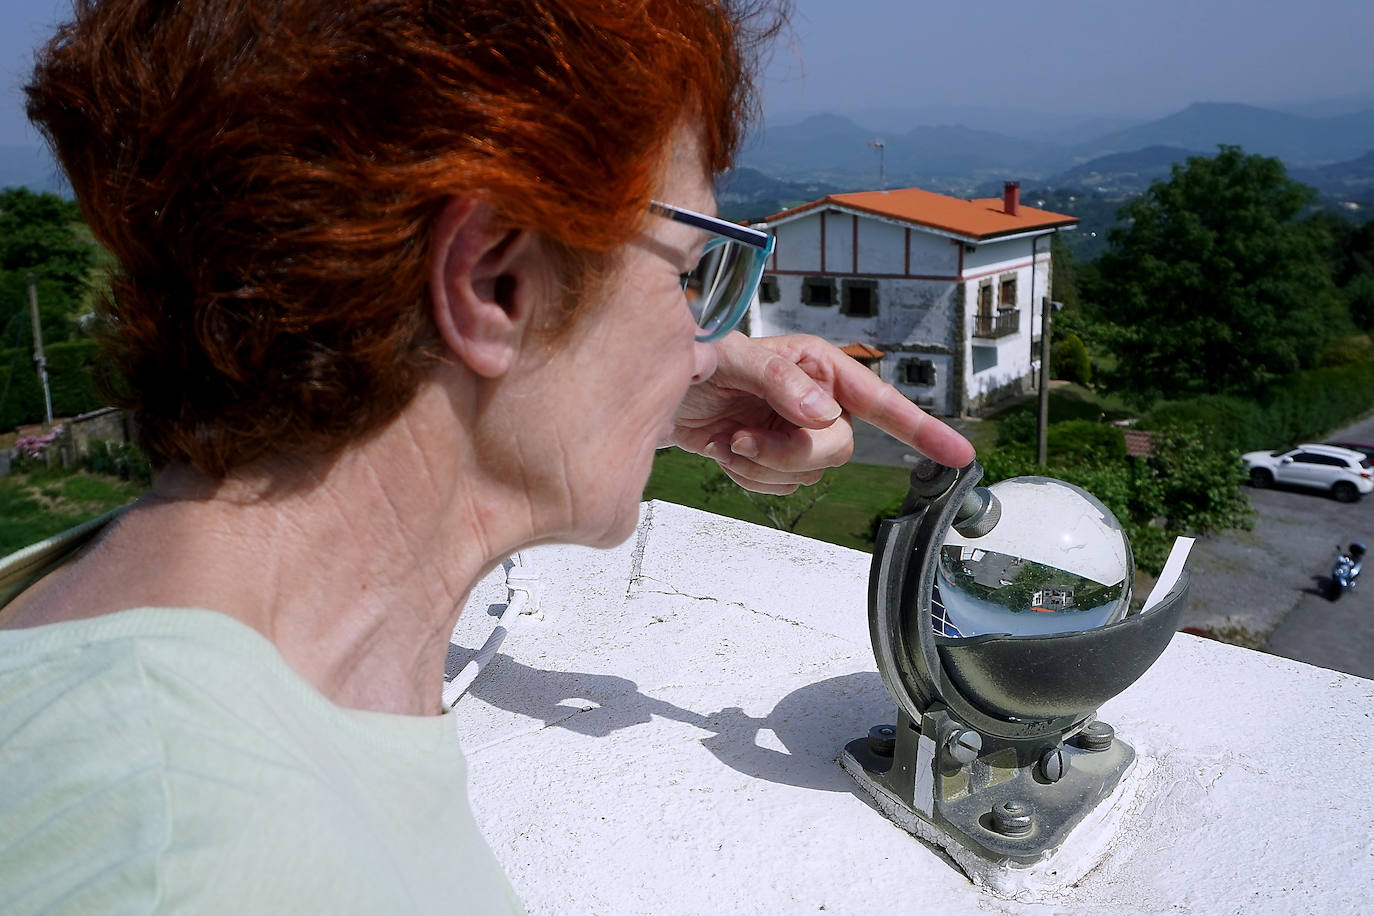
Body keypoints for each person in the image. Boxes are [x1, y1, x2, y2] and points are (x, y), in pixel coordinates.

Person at [0, 0, 974, 911]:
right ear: (494, 278)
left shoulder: (214, 691)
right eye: (688, 274)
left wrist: (635, 386)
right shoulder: (175, 852)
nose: (700, 340)